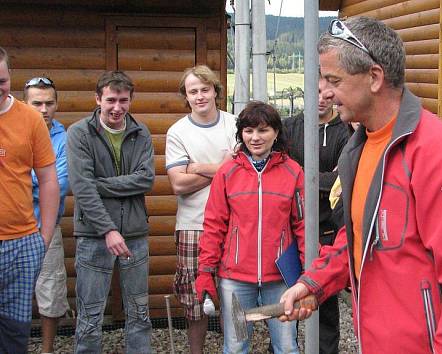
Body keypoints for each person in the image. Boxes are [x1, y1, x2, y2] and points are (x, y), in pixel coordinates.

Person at [278, 17, 442, 353]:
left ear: (375, 78)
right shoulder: (358, 148)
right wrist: (315, 282)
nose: (324, 92)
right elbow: (358, 235)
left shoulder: (438, 152)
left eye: (333, 80)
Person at [195, 101, 305, 353]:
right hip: (235, 278)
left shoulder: (293, 172)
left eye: (263, 130)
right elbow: (214, 224)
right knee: (235, 347)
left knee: (287, 346)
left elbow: (302, 226)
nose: (255, 137)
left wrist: (308, 272)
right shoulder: (227, 172)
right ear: (241, 134)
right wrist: (205, 271)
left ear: (276, 133)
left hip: (280, 278)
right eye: (248, 131)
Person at [67, 70, 155, 353]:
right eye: (111, 100)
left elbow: (146, 179)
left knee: (139, 313)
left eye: (123, 100)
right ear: (98, 99)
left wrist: (100, 184)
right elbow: (82, 188)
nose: (117, 107)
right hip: (93, 235)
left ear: (131, 101)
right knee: (90, 316)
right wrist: (108, 229)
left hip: (135, 233)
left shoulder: (141, 133)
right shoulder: (79, 133)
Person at [165, 65, 237, 353]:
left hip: (234, 222)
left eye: (204, 89)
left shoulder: (234, 124)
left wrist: (202, 167)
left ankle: (234, 348)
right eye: (193, 91)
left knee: (233, 295)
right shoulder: (178, 132)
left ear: (216, 91)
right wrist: (223, 168)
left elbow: (241, 171)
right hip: (193, 225)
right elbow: (179, 184)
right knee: (195, 301)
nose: (199, 96)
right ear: (186, 95)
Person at [0, 47, 60, 354]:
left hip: (22, 242)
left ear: (10, 76)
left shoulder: (29, 119)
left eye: (1, 80)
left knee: (14, 333)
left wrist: (44, 237)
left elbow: (50, 180)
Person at [282, 87, 349, 354]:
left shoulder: (344, 132)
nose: (320, 97)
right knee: (289, 301)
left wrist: (300, 176)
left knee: (325, 305)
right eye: (315, 90)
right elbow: (281, 172)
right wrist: (322, 180)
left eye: (327, 92)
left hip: (328, 230)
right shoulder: (289, 128)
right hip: (291, 228)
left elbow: (342, 179)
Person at [25, 76, 71, 354]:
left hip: (47, 226)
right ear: (24, 103)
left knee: (50, 290)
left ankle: (47, 349)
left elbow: (63, 182)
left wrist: (25, 176)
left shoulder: (63, 139)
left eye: (49, 103)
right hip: (8, 227)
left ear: (56, 104)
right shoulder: (9, 130)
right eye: (37, 103)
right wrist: (43, 179)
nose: (43, 109)